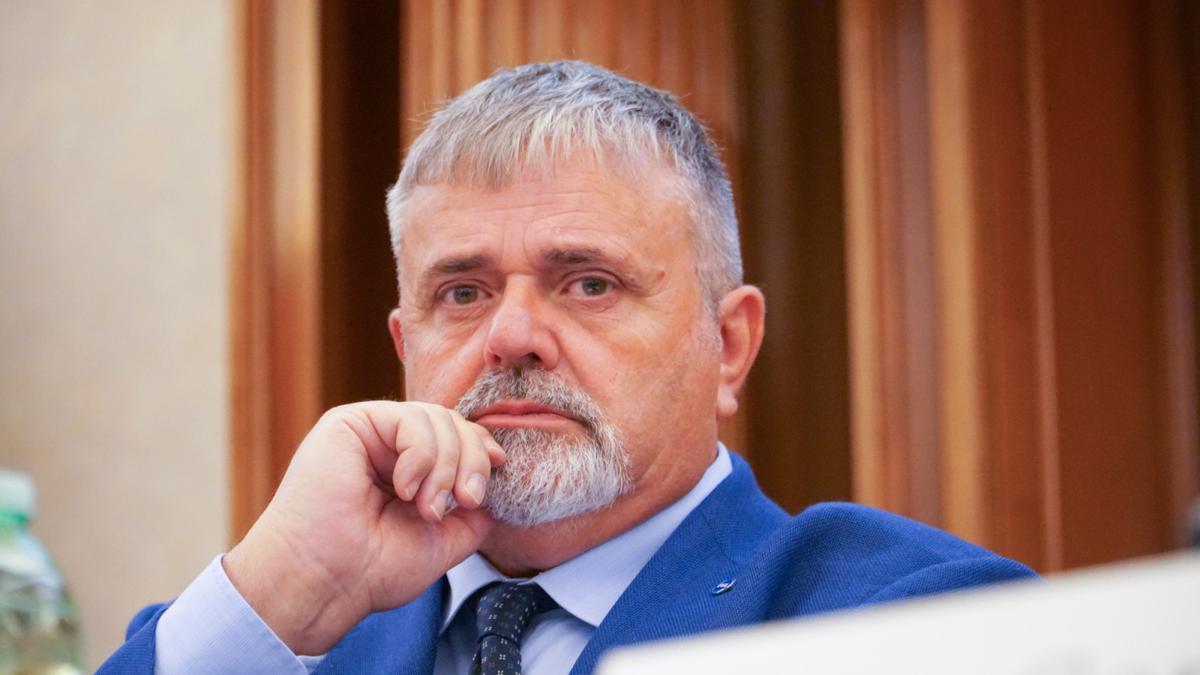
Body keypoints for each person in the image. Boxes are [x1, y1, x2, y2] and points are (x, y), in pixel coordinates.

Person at [100, 61, 1034, 675]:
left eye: (589, 283)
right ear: (405, 348)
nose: (511, 335)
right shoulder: (277, 636)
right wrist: (288, 586)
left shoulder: (909, 622)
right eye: (462, 292)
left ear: (729, 345)